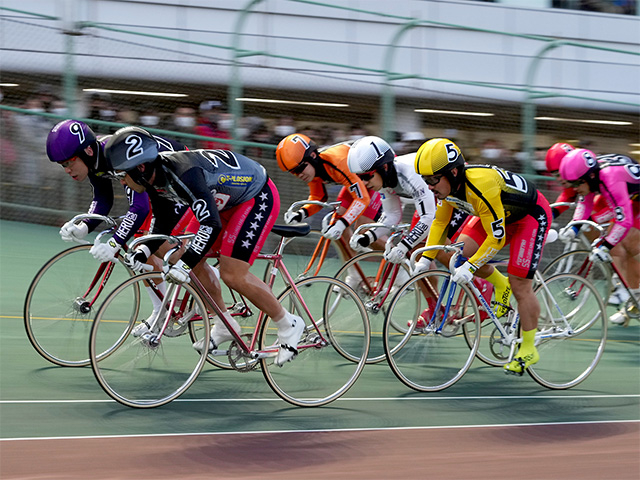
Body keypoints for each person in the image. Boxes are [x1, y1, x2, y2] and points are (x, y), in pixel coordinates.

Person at [104, 126, 305, 365]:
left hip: (255, 196)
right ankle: (224, 321)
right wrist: (143, 250)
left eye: (121, 174)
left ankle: (288, 323)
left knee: (232, 274)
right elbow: (164, 223)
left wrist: (186, 265)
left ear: (140, 167)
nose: (121, 180)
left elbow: (210, 224)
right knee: (177, 252)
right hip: (225, 199)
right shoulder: (155, 177)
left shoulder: (183, 174)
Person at [414, 138, 552, 375]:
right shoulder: (448, 188)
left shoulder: (480, 185)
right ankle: (500, 285)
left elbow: (495, 239)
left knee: (520, 284)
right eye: (425, 181)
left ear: (453, 172)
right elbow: (439, 222)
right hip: (497, 214)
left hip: (529, 216)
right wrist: (425, 259)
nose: (429, 187)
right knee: (459, 256)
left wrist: (472, 266)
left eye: (433, 180)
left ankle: (529, 348)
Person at [46, 119, 189, 333]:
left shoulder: (116, 156)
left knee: (158, 245)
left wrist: (114, 243)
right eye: (62, 165)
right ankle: (162, 312)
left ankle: (206, 287)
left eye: (69, 162)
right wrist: (84, 226)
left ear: (87, 151)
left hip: (181, 180)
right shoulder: (95, 159)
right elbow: (103, 199)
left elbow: (139, 207)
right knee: (140, 248)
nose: (67, 169)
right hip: (155, 188)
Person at [558, 148, 640, 325]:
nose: (575, 189)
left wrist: (606, 246)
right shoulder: (590, 176)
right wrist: (574, 228)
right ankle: (633, 297)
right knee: (618, 242)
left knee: (632, 244)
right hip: (632, 195)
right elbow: (584, 202)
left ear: (590, 177)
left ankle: (631, 294)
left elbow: (624, 219)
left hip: (632, 197)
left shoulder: (610, 178)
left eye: (577, 184)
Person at [545, 143, 626, 306]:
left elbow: (619, 211)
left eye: (557, 173)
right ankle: (617, 268)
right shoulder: (574, 172)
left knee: (595, 221)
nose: (558, 179)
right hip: (608, 195)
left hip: (620, 196)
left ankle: (621, 277)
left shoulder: (577, 172)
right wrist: (549, 215)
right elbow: (567, 196)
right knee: (589, 221)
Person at [275, 133, 384, 252]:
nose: (299, 175)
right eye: (293, 172)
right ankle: (353, 269)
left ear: (312, 155)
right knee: (335, 223)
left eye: (300, 169)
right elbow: (318, 197)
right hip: (358, 182)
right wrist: (301, 213)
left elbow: (362, 199)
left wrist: (342, 224)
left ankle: (401, 263)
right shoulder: (314, 171)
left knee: (363, 228)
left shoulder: (337, 162)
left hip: (377, 178)